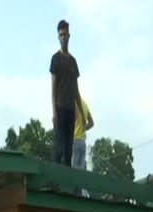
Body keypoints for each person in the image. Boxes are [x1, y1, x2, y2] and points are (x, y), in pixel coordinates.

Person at [50, 19, 86, 166]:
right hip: (59, 108)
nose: (64, 37)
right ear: (58, 37)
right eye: (61, 35)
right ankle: (56, 185)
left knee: (68, 152)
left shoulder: (73, 62)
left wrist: (82, 116)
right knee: (58, 149)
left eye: (65, 34)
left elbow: (76, 90)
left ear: (69, 36)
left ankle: (67, 187)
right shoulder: (55, 59)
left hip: (71, 110)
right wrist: (54, 113)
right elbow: (53, 88)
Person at [72, 96, 94, 169]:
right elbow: (91, 123)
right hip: (83, 142)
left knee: (73, 170)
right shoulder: (85, 104)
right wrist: (84, 128)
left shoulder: (74, 103)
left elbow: (73, 118)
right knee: (81, 171)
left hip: (75, 140)